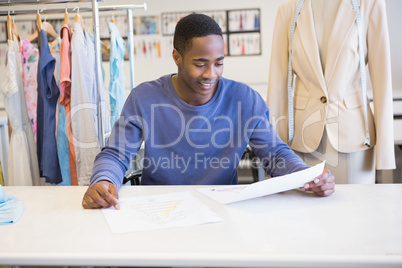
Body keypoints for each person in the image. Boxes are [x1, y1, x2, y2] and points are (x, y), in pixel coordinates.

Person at [82, 13, 335, 210]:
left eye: (219, 63)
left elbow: (275, 152)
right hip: (158, 208)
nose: (210, 74)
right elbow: (116, 153)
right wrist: (103, 181)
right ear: (177, 57)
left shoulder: (245, 99)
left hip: (221, 207)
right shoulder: (144, 97)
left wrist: (306, 176)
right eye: (200, 63)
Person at [266, 0, 395, 184]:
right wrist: (276, 153)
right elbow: (278, 83)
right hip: (303, 140)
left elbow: (382, 80)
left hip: (354, 140)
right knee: (306, 210)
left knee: (357, 211)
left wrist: (385, 153)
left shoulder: (369, 5)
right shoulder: (288, 10)